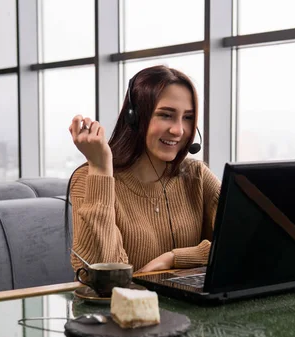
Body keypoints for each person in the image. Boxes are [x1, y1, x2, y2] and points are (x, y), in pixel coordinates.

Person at [68, 65, 220, 274]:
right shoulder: (90, 178)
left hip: (186, 306)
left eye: (187, 117)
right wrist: (100, 168)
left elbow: (247, 243)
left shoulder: (197, 175)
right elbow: (99, 273)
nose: (178, 130)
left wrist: (174, 258)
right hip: (122, 306)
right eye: (166, 115)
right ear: (135, 117)